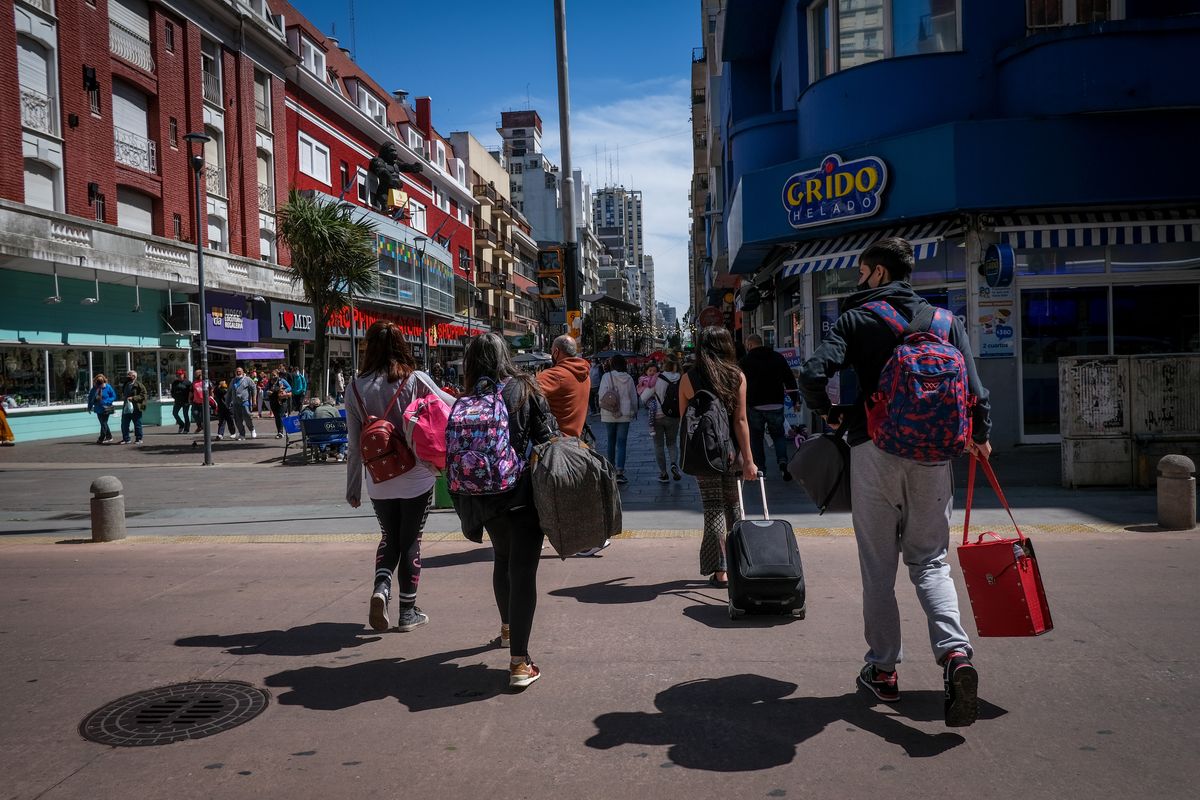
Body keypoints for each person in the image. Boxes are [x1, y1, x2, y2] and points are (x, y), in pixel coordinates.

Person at [798, 237, 992, 728]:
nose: (857, 280)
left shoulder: (857, 319)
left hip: (875, 452)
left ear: (879, 273)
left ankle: (884, 669)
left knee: (878, 567)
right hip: (934, 458)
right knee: (930, 561)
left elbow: (813, 372)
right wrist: (981, 437)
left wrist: (834, 416)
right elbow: (976, 391)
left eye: (861, 271)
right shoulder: (947, 322)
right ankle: (955, 657)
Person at [449, 333, 556, 688]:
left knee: (502, 559)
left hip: (483, 497)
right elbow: (546, 436)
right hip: (521, 494)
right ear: (504, 356)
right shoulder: (525, 388)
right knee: (523, 572)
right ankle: (520, 664)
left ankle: (508, 630)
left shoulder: (468, 397)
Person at [347, 321, 452, 635]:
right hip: (416, 473)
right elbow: (449, 406)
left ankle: (381, 588)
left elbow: (354, 446)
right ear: (402, 346)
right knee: (410, 540)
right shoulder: (415, 380)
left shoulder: (354, 386)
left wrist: (353, 488)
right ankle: (408, 612)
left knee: (389, 536)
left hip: (378, 478)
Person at [678, 326, 758, 587]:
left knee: (713, 509)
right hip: (732, 453)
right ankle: (739, 564)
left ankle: (720, 571)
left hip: (704, 454)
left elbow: (684, 421)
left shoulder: (689, 378)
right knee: (733, 507)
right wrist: (749, 459)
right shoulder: (737, 376)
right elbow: (741, 420)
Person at [740, 334, 799, 480]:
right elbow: (789, 378)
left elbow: (738, 383)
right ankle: (783, 461)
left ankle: (762, 471)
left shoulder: (745, 361)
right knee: (778, 435)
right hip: (776, 403)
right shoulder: (777, 357)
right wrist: (795, 400)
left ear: (750, 345)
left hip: (755, 405)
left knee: (756, 438)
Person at [536, 334, 590, 438]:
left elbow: (524, 391)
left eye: (551, 350)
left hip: (556, 442)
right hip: (577, 440)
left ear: (556, 352)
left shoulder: (555, 375)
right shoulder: (585, 374)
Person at [597, 354, 638, 484]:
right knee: (622, 443)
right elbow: (633, 396)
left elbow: (601, 394)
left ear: (612, 364)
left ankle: (611, 468)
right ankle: (620, 471)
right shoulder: (629, 378)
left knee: (611, 440)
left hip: (609, 413)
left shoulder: (606, 376)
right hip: (625, 413)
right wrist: (635, 411)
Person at [647, 358, 683, 483]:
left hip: (657, 416)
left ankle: (663, 473)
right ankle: (674, 464)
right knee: (672, 443)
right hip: (673, 416)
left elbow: (645, 396)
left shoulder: (658, 378)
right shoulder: (681, 378)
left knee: (658, 445)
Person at [227, 367, 257, 440]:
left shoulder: (247, 379)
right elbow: (229, 392)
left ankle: (252, 429)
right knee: (238, 420)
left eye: (239, 371)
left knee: (247, 417)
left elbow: (254, 389)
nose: (238, 373)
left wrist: (254, 400)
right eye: (237, 371)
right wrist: (227, 402)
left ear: (243, 372)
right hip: (235, 403)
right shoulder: (233, 381)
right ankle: (242, 434)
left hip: (245, 402)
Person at [85, 374, 117, 444]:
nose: (99, 385)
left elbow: (113, 396)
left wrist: (106, 401)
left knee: (104, 423)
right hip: (98, 408)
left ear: (103, 381)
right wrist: (89, 407)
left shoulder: (108, 387)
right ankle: (109, 436)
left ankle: (101, 438)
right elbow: (90, 398)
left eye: (101, 383)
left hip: (106, 408)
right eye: (98, 383)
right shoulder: (94, 389)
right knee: (103, 423)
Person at [118, 370, 148, 445]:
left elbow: (144, 395)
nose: (127, 376)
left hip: (136, 407)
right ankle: (126, 439)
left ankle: (139, 438)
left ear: (134, 376)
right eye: (127, 375)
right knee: (124, 424)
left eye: (129, 375)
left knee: (137, 423)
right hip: (126, 407)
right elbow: (123, 393)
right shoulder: (126, 384)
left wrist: (133, 398)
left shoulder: (139, 385)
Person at [267, 369, 292, 438]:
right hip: (273, 401)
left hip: (281, 400)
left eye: (274, 375)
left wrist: (285, 391)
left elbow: (289, 387)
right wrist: (267, 392)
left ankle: (280, 432)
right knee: (277, 417)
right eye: (271, 375)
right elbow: (266, 390)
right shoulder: (269, 382)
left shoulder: (282, 380)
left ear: (277, 375)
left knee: (280, 415)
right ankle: (280, 431)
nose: (273, 377)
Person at [170, 369, 191, 433]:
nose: (179, 376)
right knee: (175, 413)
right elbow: (172, 391)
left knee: (185, 414)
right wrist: (174, 396)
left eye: (180, 374)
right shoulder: (175, 382)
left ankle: (186, 428)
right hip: (178, 401)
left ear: (183, 374)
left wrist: (189, 400)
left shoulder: (188, 383)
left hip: (185, 401)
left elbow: (191, 392)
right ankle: (181, 424)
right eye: (178, 375)